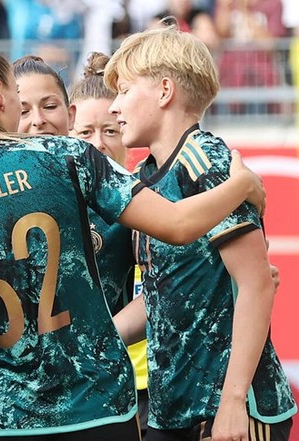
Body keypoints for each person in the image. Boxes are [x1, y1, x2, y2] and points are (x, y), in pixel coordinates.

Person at [0, 42, 265, 440]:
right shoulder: (66, 155)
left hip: (2, 415)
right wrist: (242, 184)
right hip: (94, 405)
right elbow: (179, 225)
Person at [107, 27, 296, 441]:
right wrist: (93, 338)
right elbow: (160, 293)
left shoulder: (208, 162)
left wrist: (232, 403)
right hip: (169, 413)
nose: (114, 107)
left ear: (164, 90)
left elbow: (256, 286)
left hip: (228, 413)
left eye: (123, 90)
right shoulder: (142, 177)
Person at [13, 52, 150, 436]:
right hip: (24, 400)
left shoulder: (134, 204)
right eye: (87, 133)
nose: (99, 144)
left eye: (110, 130)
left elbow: (164, 290)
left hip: (117, 392)